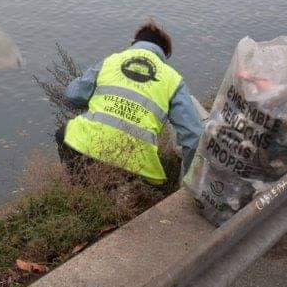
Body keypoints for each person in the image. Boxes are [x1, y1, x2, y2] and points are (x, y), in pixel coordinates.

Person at [57, 20, 203, 185]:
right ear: (165, 54)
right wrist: (190, 181)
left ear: (134, 43)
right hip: (138, 166)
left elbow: (72, 94)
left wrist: (99, 101)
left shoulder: (111, 61)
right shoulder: (173, 79)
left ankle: (82, 188)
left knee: (64, 134)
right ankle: (118, 191)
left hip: (89, 146)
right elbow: (194, 136)